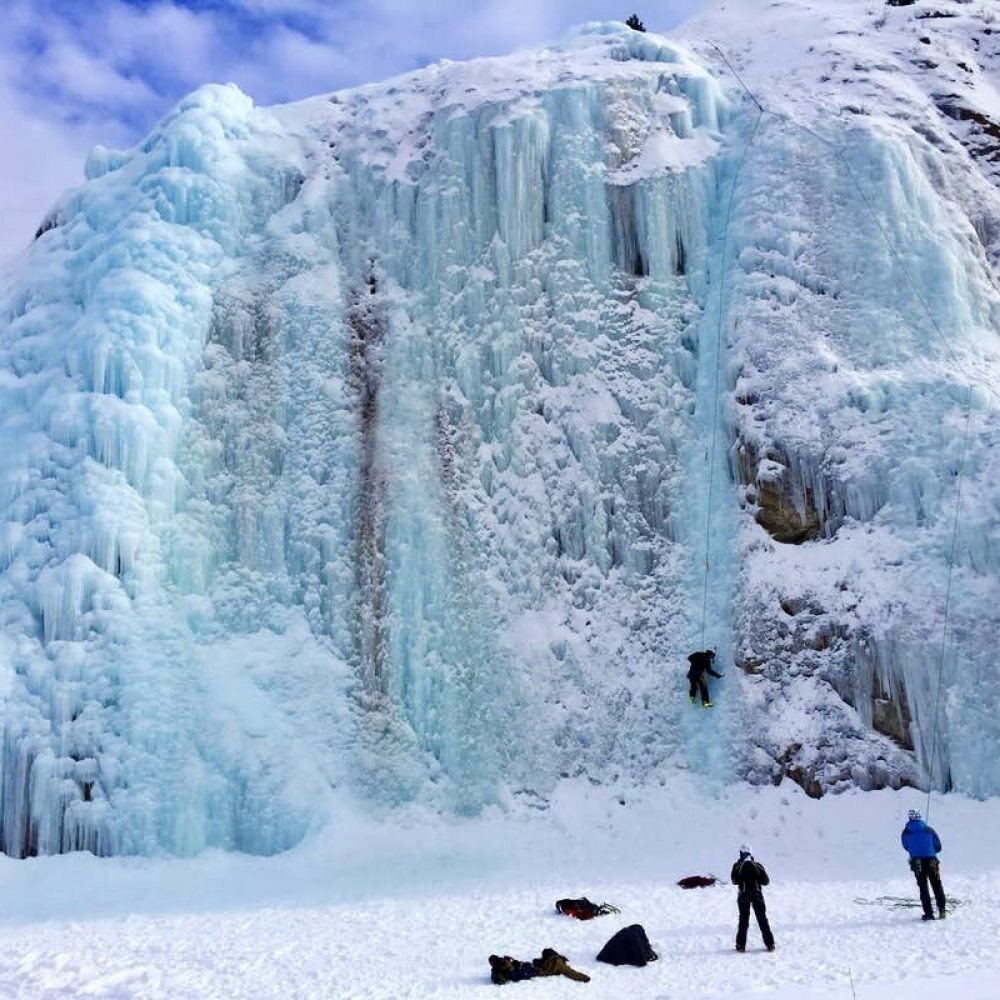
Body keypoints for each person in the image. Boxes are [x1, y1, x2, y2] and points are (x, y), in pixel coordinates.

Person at [901, 809, 946, 920]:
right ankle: (942, 911)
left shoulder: (906, 832)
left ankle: (929, 914)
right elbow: (938, 846)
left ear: (910, 818)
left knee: (923, 888)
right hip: (932, 862)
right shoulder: (929, 830)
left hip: (917, 863)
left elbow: (906, 846)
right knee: (937, 885)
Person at [731, 844, 775, 953]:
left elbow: (734, 880)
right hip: (757, 895)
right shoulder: (757, 865)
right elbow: (766, 881)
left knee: (743, 920)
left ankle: (741, 945)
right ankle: (770, 944)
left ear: (740, 853)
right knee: (762, 920)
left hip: (743, 895)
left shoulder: (737, 865)